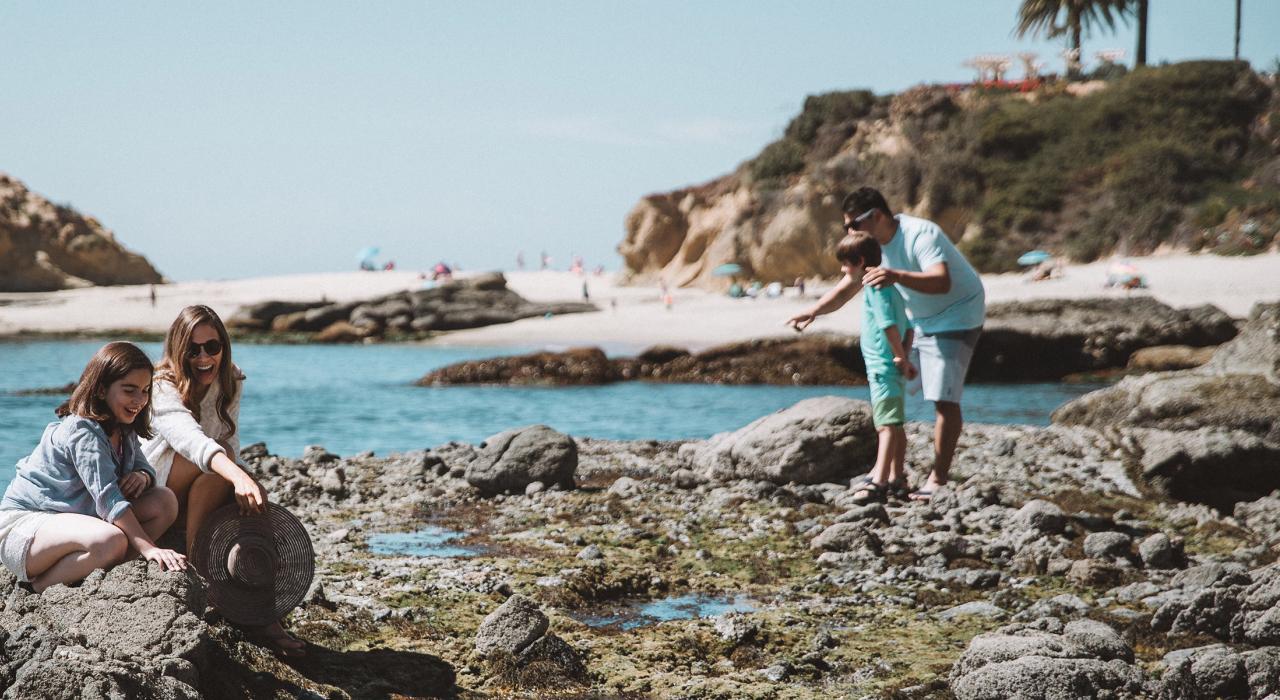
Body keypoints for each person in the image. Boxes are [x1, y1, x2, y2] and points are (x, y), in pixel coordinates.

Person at [788, 187, 985, 500]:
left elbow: (942, 280)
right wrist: (813, 311)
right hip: (919, 319)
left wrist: (896, 276)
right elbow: (849, 285)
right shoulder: (872, 247)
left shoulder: (920, 234)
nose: (849, 232)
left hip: (957, 314)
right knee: (894, 394)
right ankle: (895, 475)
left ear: (876, 216)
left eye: (853, 225)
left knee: (943, 397)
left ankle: (937, 479)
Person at [143, 305, 304, 656]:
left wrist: (248, 481)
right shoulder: (161, 386)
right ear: (177, 349)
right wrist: (237, 475)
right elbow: (188, 439)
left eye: (212, 347)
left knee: (239, 481)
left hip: (203, 478)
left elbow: (229, 446)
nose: (204, 357)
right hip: (157, 487)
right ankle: (204, 569)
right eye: (193, 349)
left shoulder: (230, 379)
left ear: (223, 347)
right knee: (216, 463)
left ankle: (263, 610)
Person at [0, 342, 185, 592]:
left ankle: (112, 569)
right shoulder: (83, 431)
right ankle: (35, 590)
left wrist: (142, 477)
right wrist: (150, 548)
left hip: (73, 521)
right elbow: (109, 500)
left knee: (164, 500)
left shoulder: (124, 427)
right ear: (100, 390)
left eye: (145, 390)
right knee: (111, 540)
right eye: (129, 390)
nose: (139, 400)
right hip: (27, 527)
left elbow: (146, 468)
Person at [811, 233, 917, 503]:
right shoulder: (890, 285)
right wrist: (904, 354)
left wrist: (900, 357)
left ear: (859, 262)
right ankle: (897, 476)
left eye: (846, 264)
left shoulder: (875, 287)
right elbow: (909, 325)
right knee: (895, 420)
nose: (844, 270)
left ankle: (879, 479)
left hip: (883, 363)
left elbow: (888, 324)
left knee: (885, 424)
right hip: (891, 361)